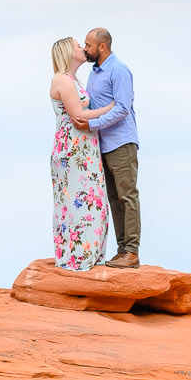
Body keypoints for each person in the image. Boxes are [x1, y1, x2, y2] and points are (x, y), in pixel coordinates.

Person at [48, 36, 112, 271]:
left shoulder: (73, 79)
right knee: (78, 200)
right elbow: (78, 114)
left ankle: (89, 253)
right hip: (73, 149)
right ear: (68, 52)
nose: (83, 49)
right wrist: (112, 108)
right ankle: (77, 255)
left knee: (90, 198)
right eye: (78, 46)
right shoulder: (64, 81)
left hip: (83, 147)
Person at [78, 26, 140, 269]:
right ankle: (122, 250)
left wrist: (92, 124)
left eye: (88, 45)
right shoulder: (95, 72)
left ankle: (132, 251)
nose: (85, 49)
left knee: (127, 196)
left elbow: (122, 108)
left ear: (102, 46)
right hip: (102, 145)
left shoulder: (119, 70)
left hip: (121, 143)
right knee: (114, 199)